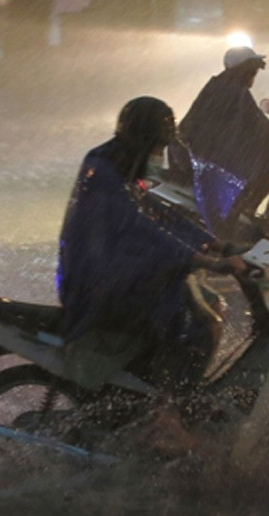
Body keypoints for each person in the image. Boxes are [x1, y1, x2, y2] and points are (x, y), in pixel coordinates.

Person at [57, 96, 246, 452]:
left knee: (207, 304)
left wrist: (216, 244)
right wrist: (200, 259)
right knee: (195, 323)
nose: (161, 154)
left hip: (111, 276)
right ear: (144, 139)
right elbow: (140, 228)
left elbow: (159, 214)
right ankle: (167, 418)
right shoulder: (105, 173)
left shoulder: (120, 164)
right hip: (97, 286)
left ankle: (162, 397)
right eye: (158, 145)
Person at [174, 46, 269, 240]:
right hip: (224, 163)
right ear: (245, 70)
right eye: (253, 71)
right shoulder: (235, 92)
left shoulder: (218, 86)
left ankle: (255, 220)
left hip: (207, 159)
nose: (254, 75)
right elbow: (260, 130)